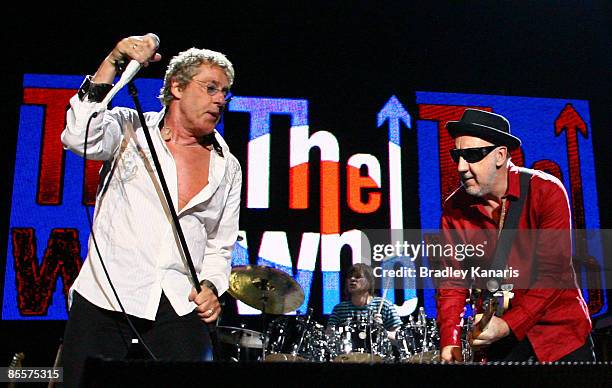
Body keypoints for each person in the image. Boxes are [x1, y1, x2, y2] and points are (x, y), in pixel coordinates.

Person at [60, 34, 242, 385]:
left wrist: (210, 285)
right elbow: (77, 133)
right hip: (105, 297)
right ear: (177, 86)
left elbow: (220, 244)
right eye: (211, 88)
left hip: (178, 304)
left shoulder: (228, 166)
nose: (221, 100)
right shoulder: (130, 130)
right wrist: (115, 60)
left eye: (225, 92)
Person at [436, 108, 593, 362]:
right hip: (498, 344)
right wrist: (450, 341)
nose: (461, 167)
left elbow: (553, 273)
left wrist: (509, 324)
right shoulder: (454, 209)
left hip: (560, 339)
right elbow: (452, 283)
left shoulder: (546, 192)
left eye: (472, 156)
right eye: (457, 156)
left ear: (500, 155)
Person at [327, 263, 402, 338]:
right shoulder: (340, 309)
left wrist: (382, 331)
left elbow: (399, 339)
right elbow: (329, 335)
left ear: (369, 281)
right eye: (350, 277)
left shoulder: (384, 305)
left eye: (358, 277)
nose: (352, 279)